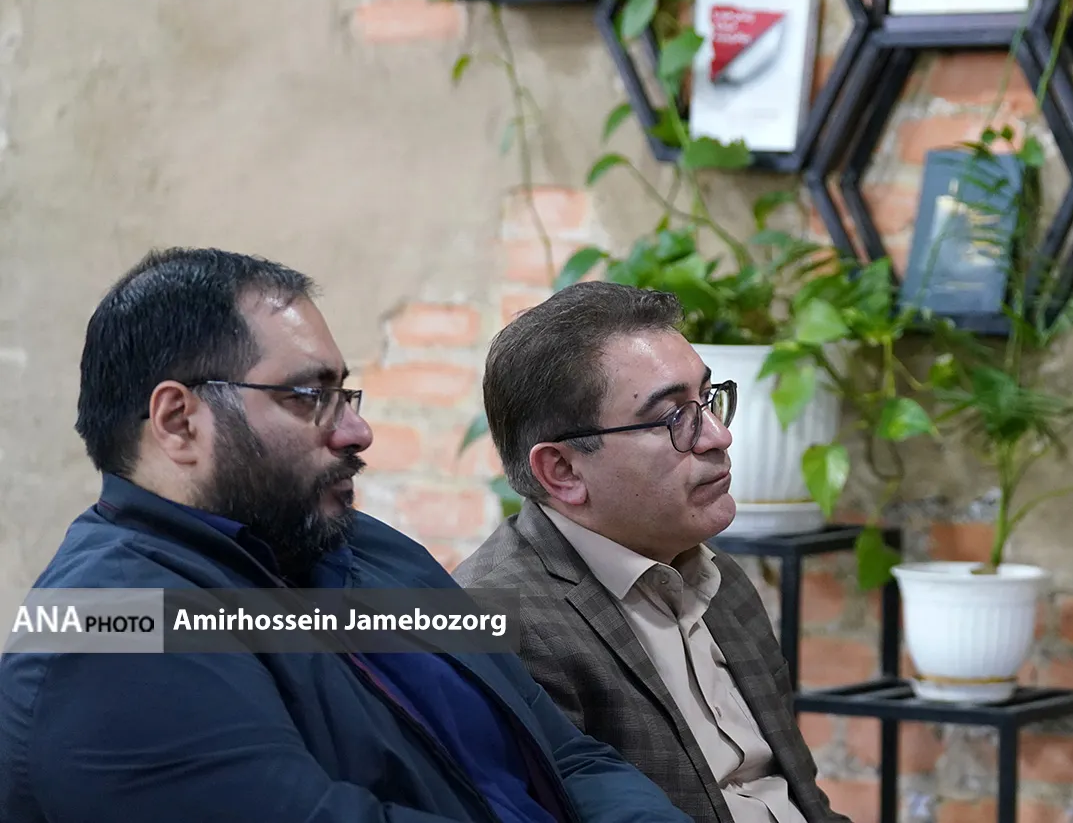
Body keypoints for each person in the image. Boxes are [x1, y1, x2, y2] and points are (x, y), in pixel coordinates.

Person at [0, 247, 692, 823]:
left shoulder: (365, 547)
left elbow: (564, 753)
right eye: (309, 396)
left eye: (344, 395)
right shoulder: (105, 631)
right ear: (179, 423)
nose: (356, 431)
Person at [456, 282, 851, 823]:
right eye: (674, 418)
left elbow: (801, 800)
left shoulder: (717, 577)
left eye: (707, 400)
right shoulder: (501, 622)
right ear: (563, 470)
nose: (717, 436)